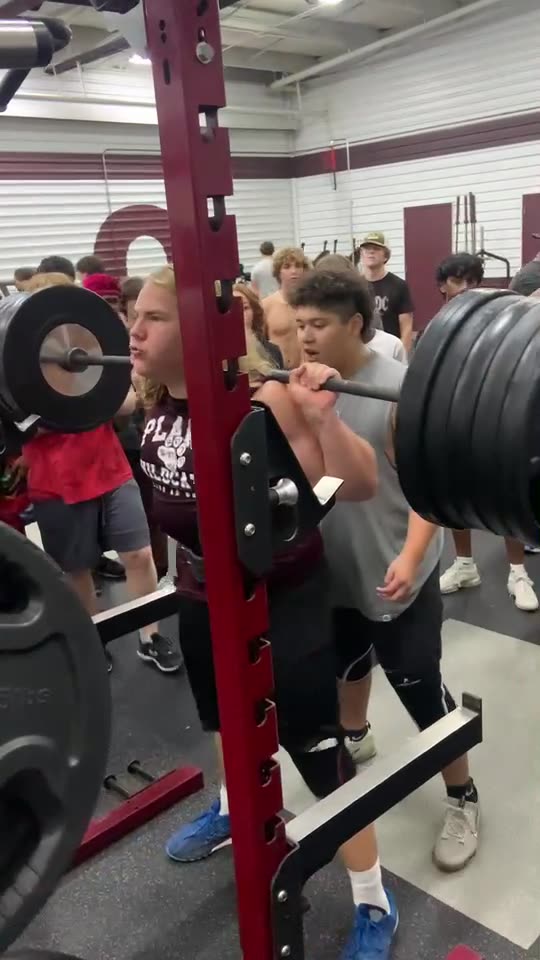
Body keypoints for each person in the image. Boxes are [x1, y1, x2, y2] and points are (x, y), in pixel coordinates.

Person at [132, 264, 399, 960]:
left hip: (284, 599)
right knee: (224, 719)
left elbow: (349, 485)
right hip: (200, 592)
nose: (133, 330)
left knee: (314, 748)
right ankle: (235, 812)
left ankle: (373, 896)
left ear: (197, 332)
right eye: (135, 315)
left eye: (152, 318)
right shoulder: (155, 398)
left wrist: (323, 421)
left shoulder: (266, 400)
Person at [290, 268, 480, 873]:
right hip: (336, 570)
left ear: (354, 323)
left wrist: (410, 554)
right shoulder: (305, 386)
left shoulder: (399, 388)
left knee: (420, 689)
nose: (306, 337)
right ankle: (356, 738)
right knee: (346, 668)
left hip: (398, 571)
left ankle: (462, 796)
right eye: (298, 325)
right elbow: (326, 475)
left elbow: (430, 490)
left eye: (318, 324)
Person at [21, 271, 182, 674]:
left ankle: (151, 636)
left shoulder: (90, 352)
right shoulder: (17, 367)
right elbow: (24, 424)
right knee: (77, 569)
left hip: (110, 469)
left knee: (139, 554)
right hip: (55, 480)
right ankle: (96, 638)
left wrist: (82, 399)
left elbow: (126, 404)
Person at [435, 254, 539, 611]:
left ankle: (518, 573)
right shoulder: (438, 330)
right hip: (453, 427)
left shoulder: (504, 322)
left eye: (471, 282)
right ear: (442, 288)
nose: (465, 289)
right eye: (456, 282)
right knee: (453, 500)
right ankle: (465, 565)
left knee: (506, 499)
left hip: (497, 430)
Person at [359, 232, 414, 353]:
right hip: (362, 354)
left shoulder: (399, 285)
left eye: (376, 249)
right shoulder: (355, 286)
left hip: (390, 352)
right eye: (367, 249)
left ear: (385, 256)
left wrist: (401, 357)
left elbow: (407, 328)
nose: (371, 252)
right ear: (361, 255)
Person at [262, 246, 310, 369]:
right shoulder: (266, 305)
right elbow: (259, 346)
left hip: (308, 373)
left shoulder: (312, 304)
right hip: (279, 375)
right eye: (287, 266)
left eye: (298, 266)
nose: (293, 271)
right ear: (278, 272)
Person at [233, 283, 283, 367]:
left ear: (254, 311)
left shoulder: (272, 350)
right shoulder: (218, 355)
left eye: (245, 308)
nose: (240, 314)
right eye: (234, 308)